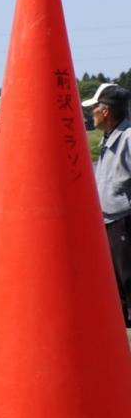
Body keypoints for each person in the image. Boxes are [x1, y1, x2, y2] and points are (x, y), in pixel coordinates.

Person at [84, 83, 131, 326]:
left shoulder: (128, 138)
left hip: (123, 221)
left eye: (93, 108)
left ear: (106, 111)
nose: (90, 113)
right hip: (109, 220)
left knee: (128, 278)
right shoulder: (109, 137)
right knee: (115, 281)